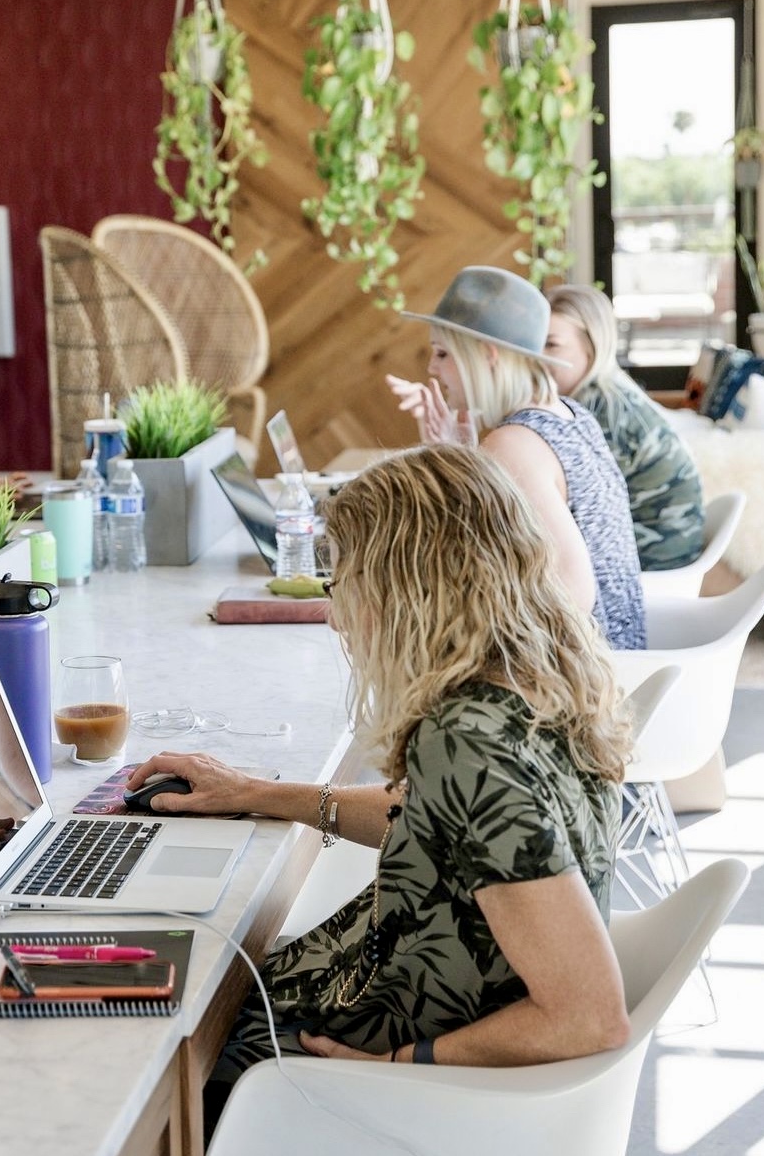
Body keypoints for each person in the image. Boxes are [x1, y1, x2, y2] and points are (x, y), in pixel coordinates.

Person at [127, 446, 632, 1106]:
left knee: (137, 1041)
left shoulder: (465, 745)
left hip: (337, 1063)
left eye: (348, 575)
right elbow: (442, 820)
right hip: (367, 990)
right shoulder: (537, 677)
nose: (339, 608)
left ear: (406, 584)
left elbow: (590, 1016)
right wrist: (253, 793)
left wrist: (405, 1064)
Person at [386, 266, 645, 650]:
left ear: (488, 356)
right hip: (620, 654)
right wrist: (459, 458)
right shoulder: (570, 413)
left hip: (583, 676)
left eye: (443, 353)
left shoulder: (514, 444)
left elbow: (572, 593)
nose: (431, 368)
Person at [546, 284, 705, 571]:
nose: (539, 357)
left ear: (591, 346)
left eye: (552, 345)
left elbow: (581, 510)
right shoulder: (600, 392)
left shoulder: (602, 411)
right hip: (660, 545)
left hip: (656, 558)